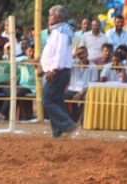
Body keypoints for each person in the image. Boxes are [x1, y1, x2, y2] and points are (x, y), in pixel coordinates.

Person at [40, 5, 76, 138]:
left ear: (59, 17)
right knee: (56, 101)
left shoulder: (61, 31)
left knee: (47, 100)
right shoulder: (59, 31)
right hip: (59, 71)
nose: (49, 17)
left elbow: (60, 52)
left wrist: (53, 70)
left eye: (51, 15)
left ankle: (67, 125)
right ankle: (57, 131)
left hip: (58, 71)